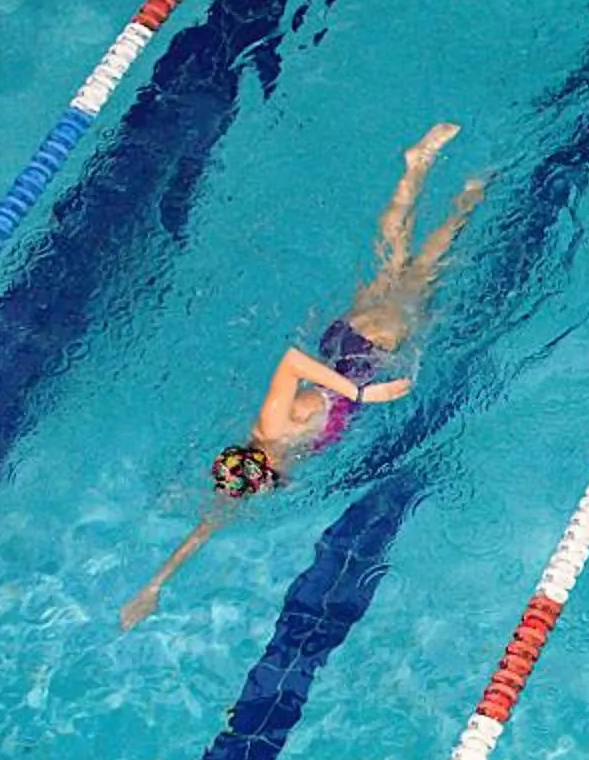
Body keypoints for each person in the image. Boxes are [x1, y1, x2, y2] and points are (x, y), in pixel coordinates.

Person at [119, 123, 480, 630]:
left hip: (365, 351)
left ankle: (470, 195)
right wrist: (153, 587)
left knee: (424, 270)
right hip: (346, 344)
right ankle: (416, 166)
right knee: (392, 259)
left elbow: (291, 360)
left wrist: (363, 392)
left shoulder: (276, 429)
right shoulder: (263, 456)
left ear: (263, 474)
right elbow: (206, 528)